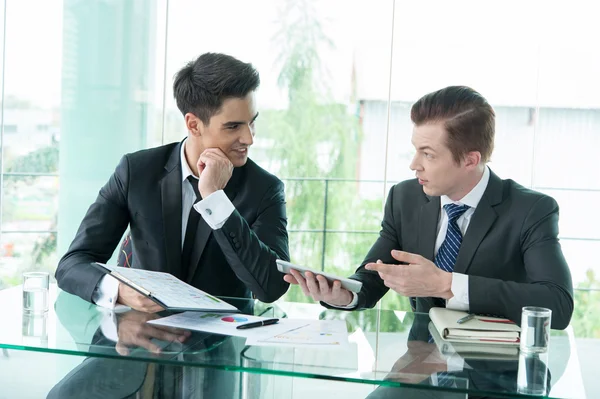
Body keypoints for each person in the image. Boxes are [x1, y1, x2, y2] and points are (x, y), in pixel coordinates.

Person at [285, 86, 573, 329]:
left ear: (471, 160)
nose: (414, 164)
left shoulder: (531, 210)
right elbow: (375, 276)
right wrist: (345, 295)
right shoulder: (404, 197)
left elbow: (557, 305)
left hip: (493, 375)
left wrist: (447, 285)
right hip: (419, 364)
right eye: (415, 149)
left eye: (428, 154)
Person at [56, 52, 290, 312]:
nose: (249, 138)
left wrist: (215, 199)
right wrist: (119, 291)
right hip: (143, 337)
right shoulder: (137, 172)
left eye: (252, 123)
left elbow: (271, 287)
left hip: (219, 343)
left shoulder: (265, 189)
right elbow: (72, 265)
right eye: (233, 127)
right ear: (193, 124)